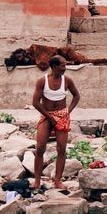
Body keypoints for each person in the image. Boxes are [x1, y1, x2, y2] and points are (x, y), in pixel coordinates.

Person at [31, 54, 80, 191]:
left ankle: (57, 180)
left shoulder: (67, 81)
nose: (65, 68)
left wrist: (67, 111)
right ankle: (37, 181)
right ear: (54, 67)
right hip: (47, 116)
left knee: (62, 149)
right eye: (63, 65)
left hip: (62, 115)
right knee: (40, 148)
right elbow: (35, 102)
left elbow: (77, 96)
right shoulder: (42, 81)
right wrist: (49, 117)